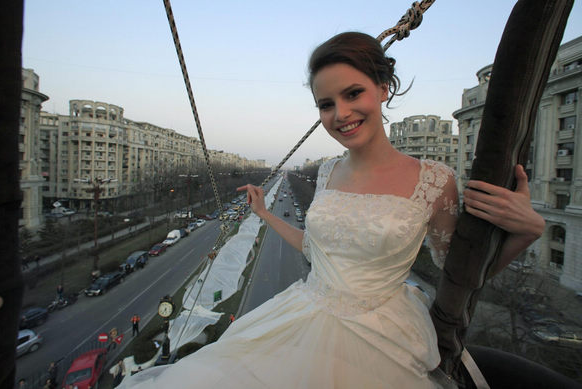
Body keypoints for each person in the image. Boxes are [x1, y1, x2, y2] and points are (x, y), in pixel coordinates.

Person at [119, 32, 544, 388]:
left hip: (378, 340)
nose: (340, 114)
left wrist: (525, 234)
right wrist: (265, 214)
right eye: (326, 104)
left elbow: (459, 271)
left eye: (353, 93)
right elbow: (316, 249)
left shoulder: (433, 179)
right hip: (301, 314)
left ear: (383, 88)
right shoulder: (326, 172)